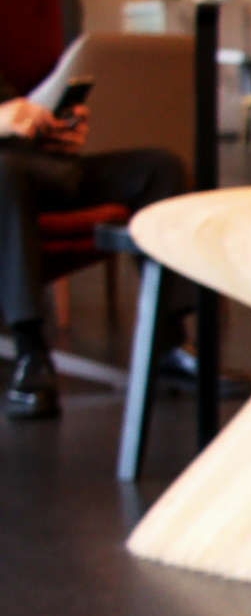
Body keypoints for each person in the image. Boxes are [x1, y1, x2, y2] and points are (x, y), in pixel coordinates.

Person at [0, 95, 186, 420]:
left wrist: (51, 131)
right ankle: (30, 355)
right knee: (4, 171)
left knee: (161, 168)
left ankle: (171, 343)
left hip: (36, 170)